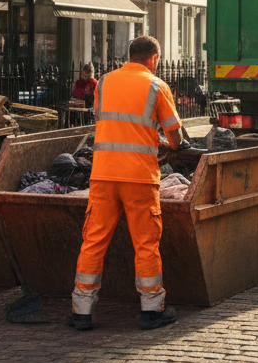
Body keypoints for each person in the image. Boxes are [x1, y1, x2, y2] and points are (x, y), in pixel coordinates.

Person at [71, 36, 184, 332]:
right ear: (154, 59)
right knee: (145, 244)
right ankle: (151, 309)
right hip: (139, 178)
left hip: (104, 174)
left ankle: (81, 310)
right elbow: (174, 135)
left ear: (129, 56)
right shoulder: (157, 86)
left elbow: (111, 121)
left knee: (93, 241)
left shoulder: (105, 82)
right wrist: (169, 143)